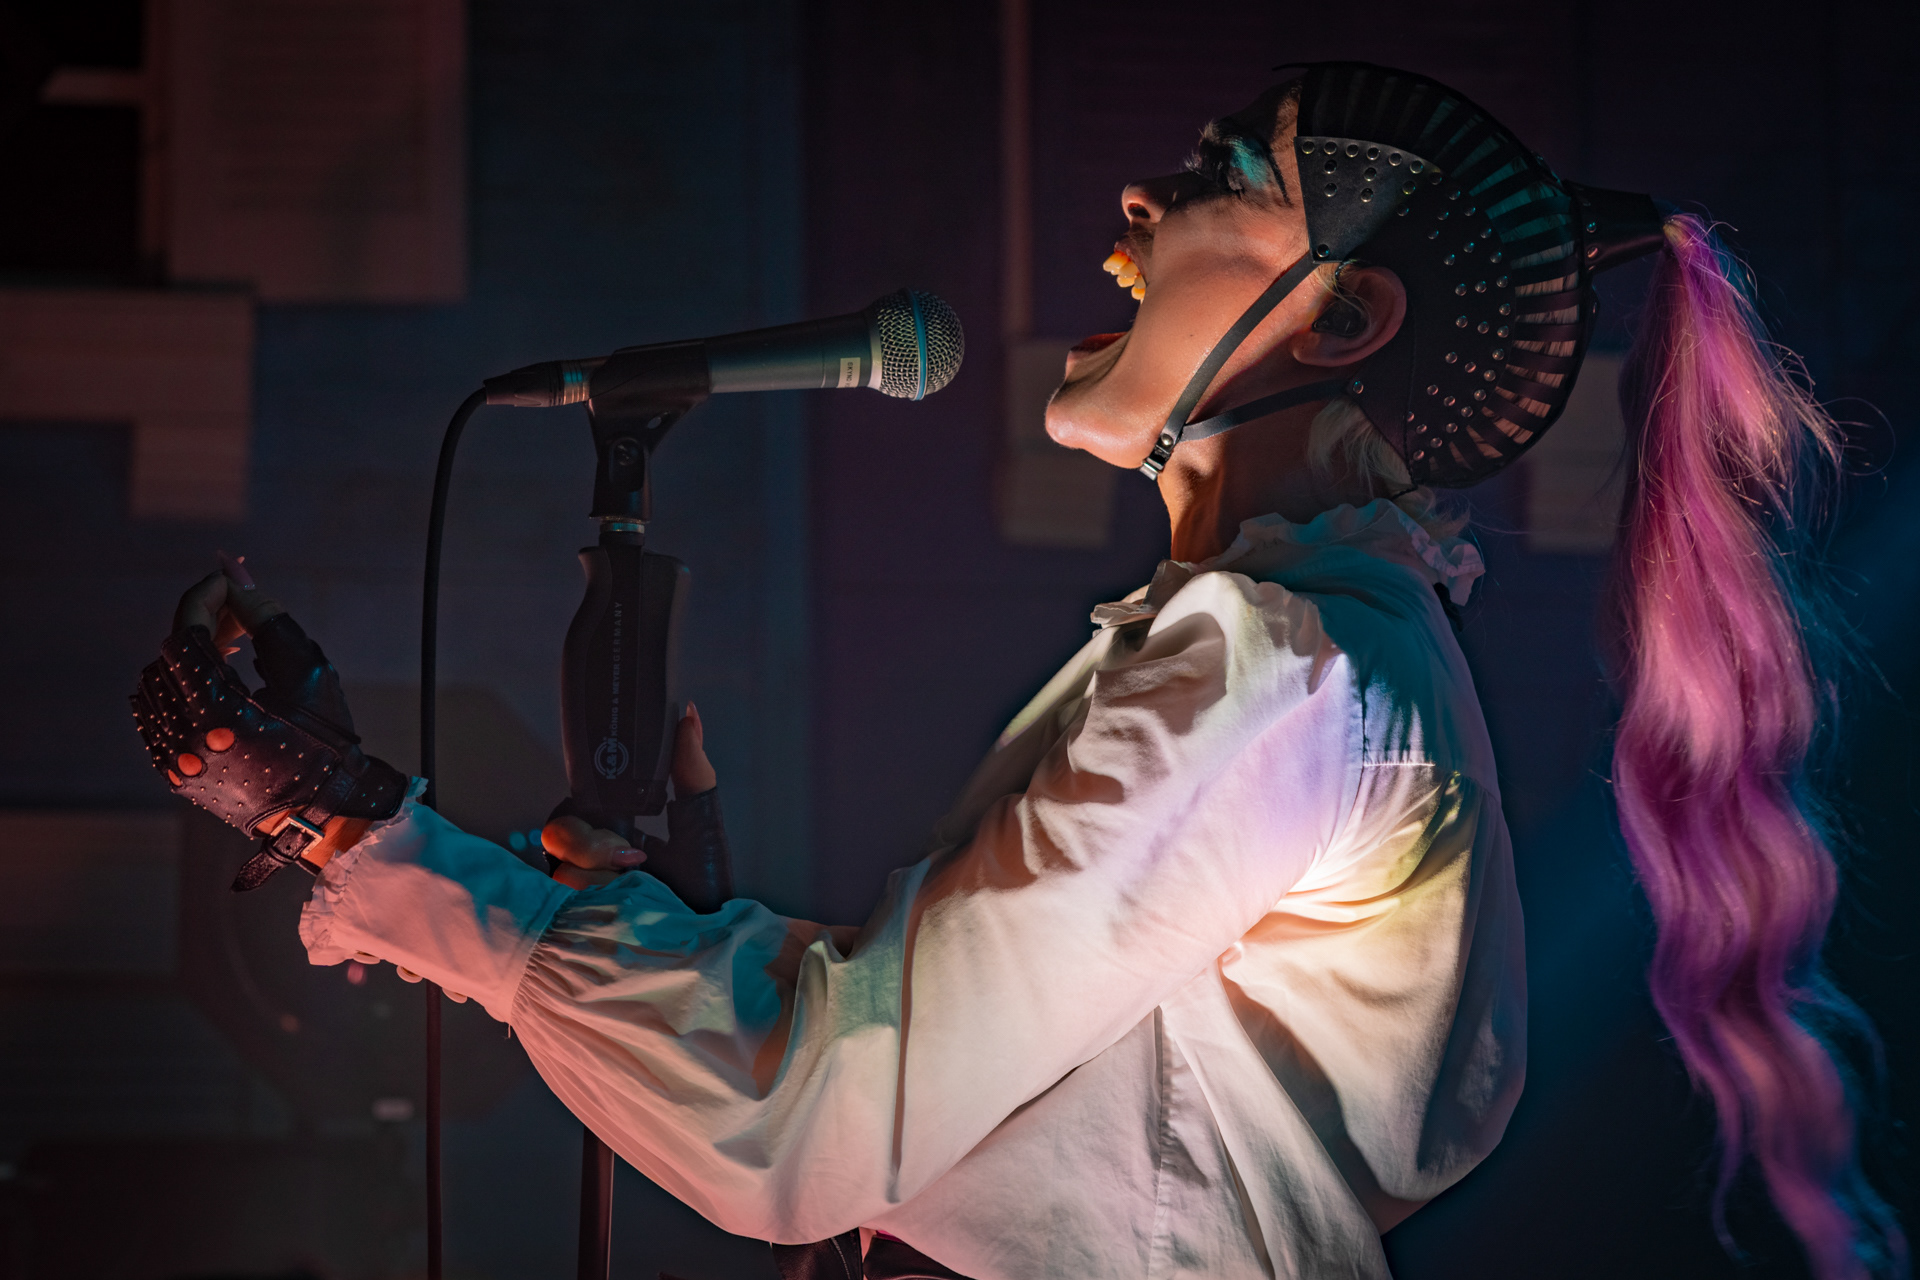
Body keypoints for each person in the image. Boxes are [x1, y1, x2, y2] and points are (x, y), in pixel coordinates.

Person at [133, 64, 1898, 1280]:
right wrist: (693, 929)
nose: (1139, 197)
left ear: (1343, 317)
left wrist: (347, 826)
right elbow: (1044, 1109)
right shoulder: (1303, 654)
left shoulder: (1278, 673)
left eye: (1225, 177)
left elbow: (812, 1124)